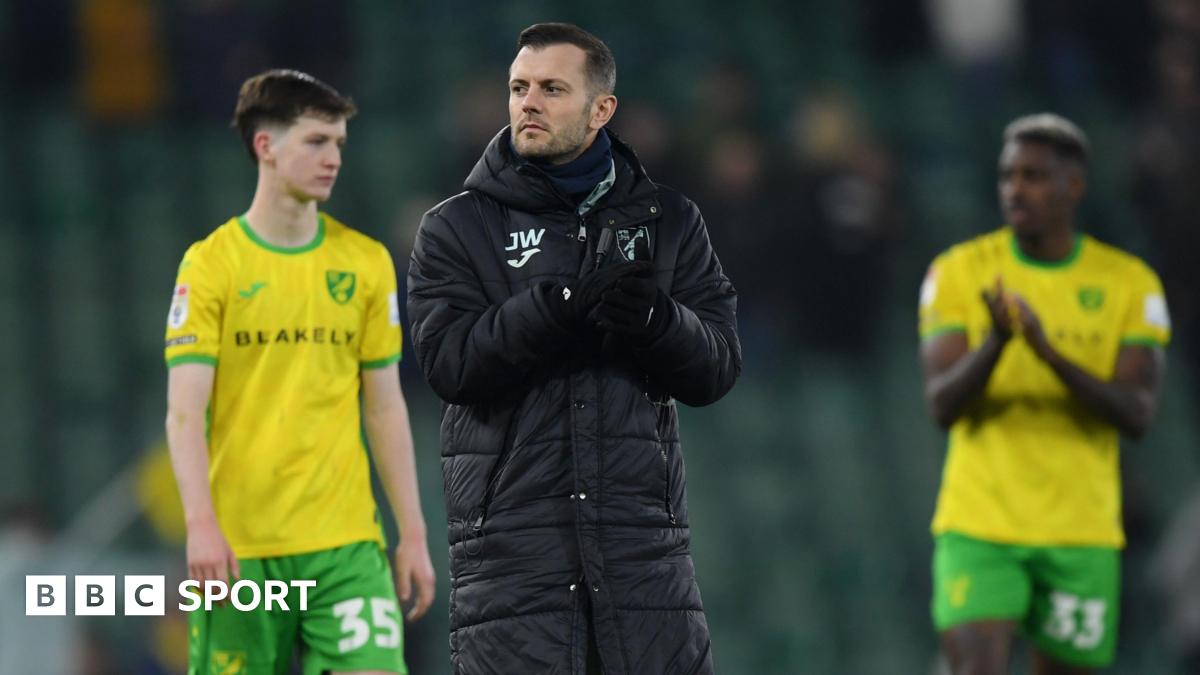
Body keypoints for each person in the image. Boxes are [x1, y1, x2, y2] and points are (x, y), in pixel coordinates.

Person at [406, 23, 741, 675]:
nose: (528, 102)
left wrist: (654, 319)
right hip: (514, 575)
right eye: (519, 88)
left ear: (601, 109)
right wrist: (555, 306)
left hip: (645, 573)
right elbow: (449, 364)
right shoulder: (455, 229)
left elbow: (717, 365)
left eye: (552, 89)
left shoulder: (668, 220)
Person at [163, 69, 435, 675]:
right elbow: (184, 412)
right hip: (242, 549)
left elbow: (385, 408)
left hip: (346, 546)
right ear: (266, 146)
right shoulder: (211, 267)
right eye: (316, 141)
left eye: (338, 142)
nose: (333, 158)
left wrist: (411, 531)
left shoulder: (366, 264)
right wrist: (200, 526)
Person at [919, 113, 1171, 674]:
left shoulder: (1129, 284)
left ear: (1073, 187)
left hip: (1079, 535)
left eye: (1033, 175)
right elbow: (942, 405)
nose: (1015, 188)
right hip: (981, 526)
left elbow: (1137, 413)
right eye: (1008, 175)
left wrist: (1049, 353)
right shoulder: (958, 273)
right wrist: (997, 344)